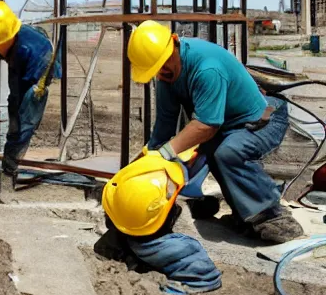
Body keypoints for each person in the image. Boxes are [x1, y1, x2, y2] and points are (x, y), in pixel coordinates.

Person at [126, 20, 304, 243]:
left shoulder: (206, 68)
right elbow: (164, 123)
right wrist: (146, 160)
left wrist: (165, 153)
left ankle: (273, 216)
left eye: (162, 66)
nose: (161, 74)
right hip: (227, 125)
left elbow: (207, 126)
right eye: (155, 70)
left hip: (263, 119)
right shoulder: (166, 74)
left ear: (173, 44)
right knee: (211, 150)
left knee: (229, 151)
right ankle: (245, 214)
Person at [98, 146, 222, 295]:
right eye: (174, 204)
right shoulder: (182, 250)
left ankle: (138, 262)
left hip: (131, 239)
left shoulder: (116, 234)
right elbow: (206, 279)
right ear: (169, 216)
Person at [0, 0, 60, 201]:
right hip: (18, 58)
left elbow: (22, 102)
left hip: (37, 73)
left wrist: (15, 128)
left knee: (23, 120)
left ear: (6, 38)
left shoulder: (35, 53)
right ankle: (7, 155)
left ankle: (9, 171)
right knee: (14, 108)